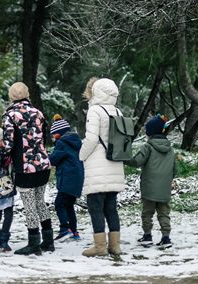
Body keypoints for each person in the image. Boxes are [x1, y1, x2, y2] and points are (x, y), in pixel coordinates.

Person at [1, 81, 54, 255]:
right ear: (27, 94)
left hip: (25, 167)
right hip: (43, 163)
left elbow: (8, 143)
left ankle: (33, 243)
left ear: (11, 96)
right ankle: (48, 241)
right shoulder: (38, 113)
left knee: (30, 206)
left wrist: (2, 158)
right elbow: (44, 138)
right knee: (40, 202)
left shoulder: (10, 115)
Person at [78, 78, 125, 257]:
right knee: (111, 208)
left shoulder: (95, 111)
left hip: (98, 167)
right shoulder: (118, 111)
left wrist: (81, 156)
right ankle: (115, 246)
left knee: (95, 208)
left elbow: (91, 139)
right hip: (114, 164)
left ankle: (99, 247)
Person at [128, 114, 177, 249]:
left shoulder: (148, 146)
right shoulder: (170, 148)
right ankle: (166, 237)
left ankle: (147, 236)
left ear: (150, 133)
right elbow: (175, 169)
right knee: (164, 213)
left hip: (149, 187)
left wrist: (124, 158)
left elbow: (137, 161)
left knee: (147, 213)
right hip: (164, 188)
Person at [48, 114, 84, 241]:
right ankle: (74, 231)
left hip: (67, 178)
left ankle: (65, 229)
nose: (53, 137)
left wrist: (46, 155)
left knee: (59, 203)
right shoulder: (76, 142)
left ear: (58, 134)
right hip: (77, 178)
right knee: (69, 205)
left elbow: (53, 160)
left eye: (54, 134)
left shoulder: (62, 143)